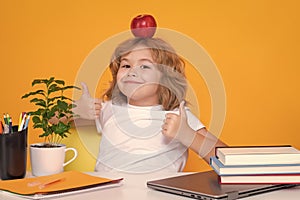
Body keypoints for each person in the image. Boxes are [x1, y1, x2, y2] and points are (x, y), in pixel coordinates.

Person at [73, 37, 226, 173]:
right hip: (108, 190)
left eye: (145, 66)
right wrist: (74, 111)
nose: (132, 72)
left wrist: (189, 136)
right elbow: (51, 120)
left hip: (158, 192)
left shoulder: (179, 117)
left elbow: (229, 160)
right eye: (126, 66)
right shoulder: (108, 109)